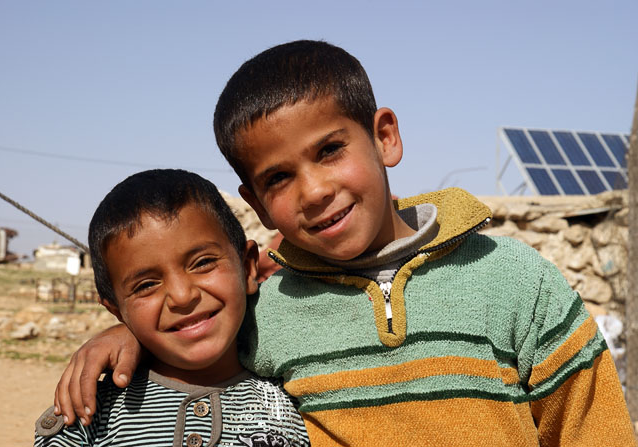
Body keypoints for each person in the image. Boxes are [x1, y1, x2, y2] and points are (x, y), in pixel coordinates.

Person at [54, 41, 636, 446]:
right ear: (255, 202)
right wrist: (124, 333)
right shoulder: (268, 314)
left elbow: (592, 429)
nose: (313, 191)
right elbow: (193, 327)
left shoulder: (516, 281)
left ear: (384, 137)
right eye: (278, 178)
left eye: (330, 151)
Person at [35, 169, 309, 447]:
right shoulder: (88, 416)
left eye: (202, 263)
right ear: (116, 311)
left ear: (248, 266)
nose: (181, 296)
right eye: (145, 285)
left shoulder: (305, 394)